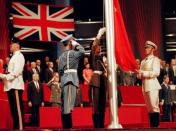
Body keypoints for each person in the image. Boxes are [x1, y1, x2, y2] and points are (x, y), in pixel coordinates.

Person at [58, 34, 85, 129]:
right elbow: (82, 51)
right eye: (72, 41)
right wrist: (76, 43)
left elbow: (60, 71)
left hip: (65, 80)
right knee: (68, 107)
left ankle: (66, 126)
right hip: (71, 80)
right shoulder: (72, 53)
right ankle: (68, 127)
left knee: (65, 105)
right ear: (70, 43)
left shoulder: (61, 56)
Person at [0, 37, 25, 130]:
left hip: (16, 86)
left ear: (17, 45)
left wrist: (3, 76)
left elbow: (16, 72)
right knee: (14, 111)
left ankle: (20, 129)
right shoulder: (14, 56)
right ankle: (16, 128)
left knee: (17, 112)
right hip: (11, 86)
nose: (10, 45)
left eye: (12, 44)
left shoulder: (19, 56)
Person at [137, 41, 161, 127]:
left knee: (154, 107)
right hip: (145, 85)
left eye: (147, 47)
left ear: (152, 49)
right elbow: (140, 75)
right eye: (145, 47)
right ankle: (152, 127)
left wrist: (143, 73)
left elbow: (156, 72)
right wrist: (138, 73)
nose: (145, 49)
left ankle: (156, 126)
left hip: (152, 85)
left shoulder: (155, 60)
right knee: (149, 108)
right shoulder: (143, 61)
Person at [89, 27, 107, 128]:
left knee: (102, 105)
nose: (99, 48)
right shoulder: (93, 56)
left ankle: (102, 125)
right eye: (97, 47)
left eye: (99, 47)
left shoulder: (101, 58)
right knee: (95, 105)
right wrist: (99, 35)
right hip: (95, 81)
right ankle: (97, 126)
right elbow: (94, 46)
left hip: (102, 81)